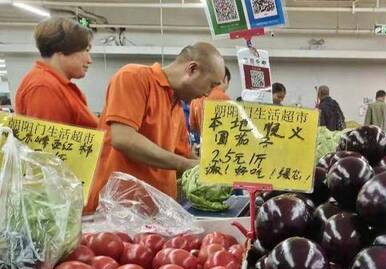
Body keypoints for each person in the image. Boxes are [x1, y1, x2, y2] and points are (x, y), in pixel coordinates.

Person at [86, 42, 225, 211]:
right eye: (211, 85)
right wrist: (184, 164)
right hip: (118, 210)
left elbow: (184, 156)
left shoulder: (177, 106)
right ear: (192, 69)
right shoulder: (133, 77)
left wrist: (214, 172)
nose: (208, 94)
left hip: (156, 212)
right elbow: (123, 138)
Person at [15, 17, 98, 128]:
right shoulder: (44, 86)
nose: (89, 60)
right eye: (86, 50)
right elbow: (48, 142)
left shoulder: (56, 85)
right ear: (62, 50)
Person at [189, 66, 231, 134]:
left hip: (203, 142)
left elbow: (193, 127)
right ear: (225, 79)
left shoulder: (195, 99)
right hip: (222, 142)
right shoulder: (225, 98)